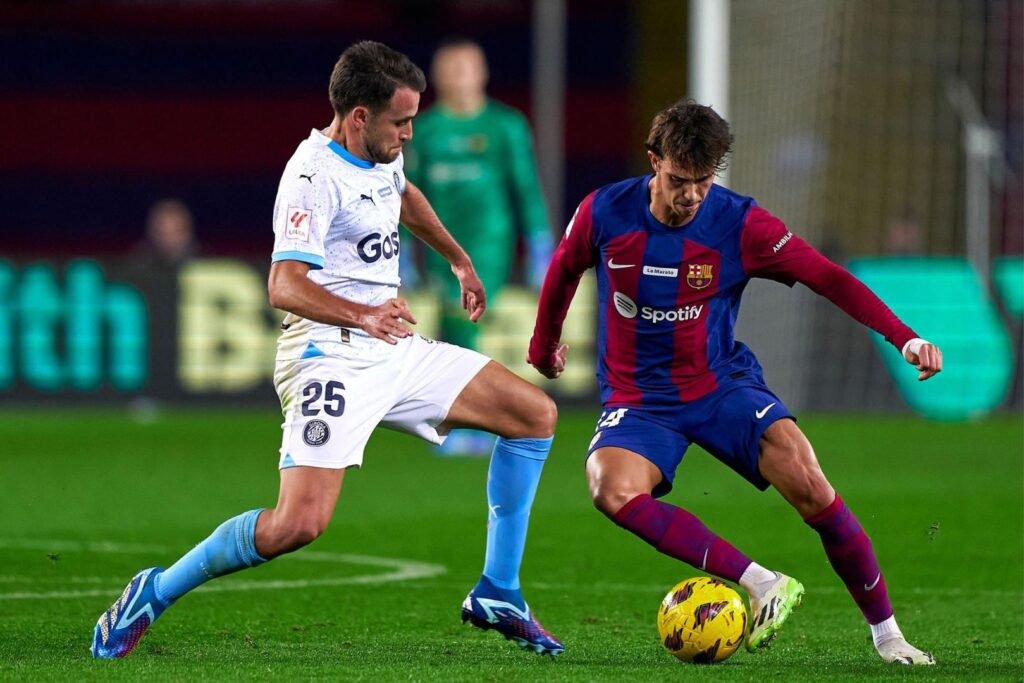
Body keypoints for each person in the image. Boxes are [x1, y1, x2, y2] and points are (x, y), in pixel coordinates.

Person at [91, 40, 563, 659]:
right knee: (298, 525)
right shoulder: (311, 176)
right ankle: (153, 590)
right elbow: (283, 285)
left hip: (390, 345)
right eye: (402, 122)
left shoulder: (379, 153)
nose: (411, 134)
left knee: (534, 414)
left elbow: (402, 194)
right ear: (360, 116)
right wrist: (364, 313)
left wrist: (457, 257)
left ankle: (498, 588)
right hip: (328, 350)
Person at [527, 100, 943, 665]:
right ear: (654, 162)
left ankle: (889, 635)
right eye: (678, 180)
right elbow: (562, 271)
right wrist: (541, 343)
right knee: (610, 488)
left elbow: (829, 277)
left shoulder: (742, 223)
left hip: (718, 384)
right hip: (640, 399)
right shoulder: (604, 211)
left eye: (703, 181)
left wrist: (904, 337)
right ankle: (761, 581)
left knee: (810, 482)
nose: (692, 195)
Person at [404, 38, 553, 455]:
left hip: (489, 239)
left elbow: (526, 186)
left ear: (482, 73)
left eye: (466, 67)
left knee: (464, 315)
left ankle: (472, 420)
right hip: (439, 238)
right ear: (437, 76)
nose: (459, 76)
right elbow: (404, 193)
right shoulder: (425, 129)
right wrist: (401, 252)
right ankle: (468, 419)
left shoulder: (505, 125)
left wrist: (540, 242)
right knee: (456, 324)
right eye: (450, 68)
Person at [131, 198, 200, 268]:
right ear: (151, 233)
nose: (168, 240)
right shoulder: (136, 265)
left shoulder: (203, 263)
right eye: (161, 233)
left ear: (188, 233)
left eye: (175, 233)